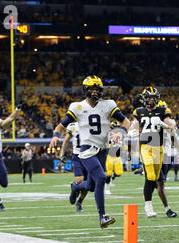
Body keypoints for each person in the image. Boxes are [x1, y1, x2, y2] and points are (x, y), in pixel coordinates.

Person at [50, 75, 130, 228]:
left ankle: (76, 187)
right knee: (101, 177)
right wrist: (55, 136)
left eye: (97, 89)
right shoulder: (77, 107)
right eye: (91, 89)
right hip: (86, 150)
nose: (94, 92)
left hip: (102, 150)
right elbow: (61, 126)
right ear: (85, 90)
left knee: (91, 187)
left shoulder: (108, 104)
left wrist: (121, 132)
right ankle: (102, 216)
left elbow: (125, 121)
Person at [129, 86, 178, 218]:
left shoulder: (162, 110)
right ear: (144, 98)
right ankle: (148, 207)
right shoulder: (139, 111)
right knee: (150, 176)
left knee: (158, 181)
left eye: (154, 98)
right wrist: (132, 133)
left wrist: (166, 125)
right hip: (146, 147)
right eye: (149, 97)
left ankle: (166, 208)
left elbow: (171, 125)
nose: (151, 100)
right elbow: (133, 127)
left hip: (159, 149)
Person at [59, 121, 88, 213]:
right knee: (80, 180)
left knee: (87, 185)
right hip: (78, 157)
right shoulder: (73, 126)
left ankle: (79, 202)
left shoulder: (91, 123)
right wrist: (62, 153)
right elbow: (66, 141)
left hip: (89, 156)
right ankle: (74, 189)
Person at [105, 122, 124, 195]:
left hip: (117, 157)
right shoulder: (109, 134)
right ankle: (106, 188)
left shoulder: (120, 135)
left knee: (119, 173)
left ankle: (111, 179)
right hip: (110, 156)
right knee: (109, 173)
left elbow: (121, 144)